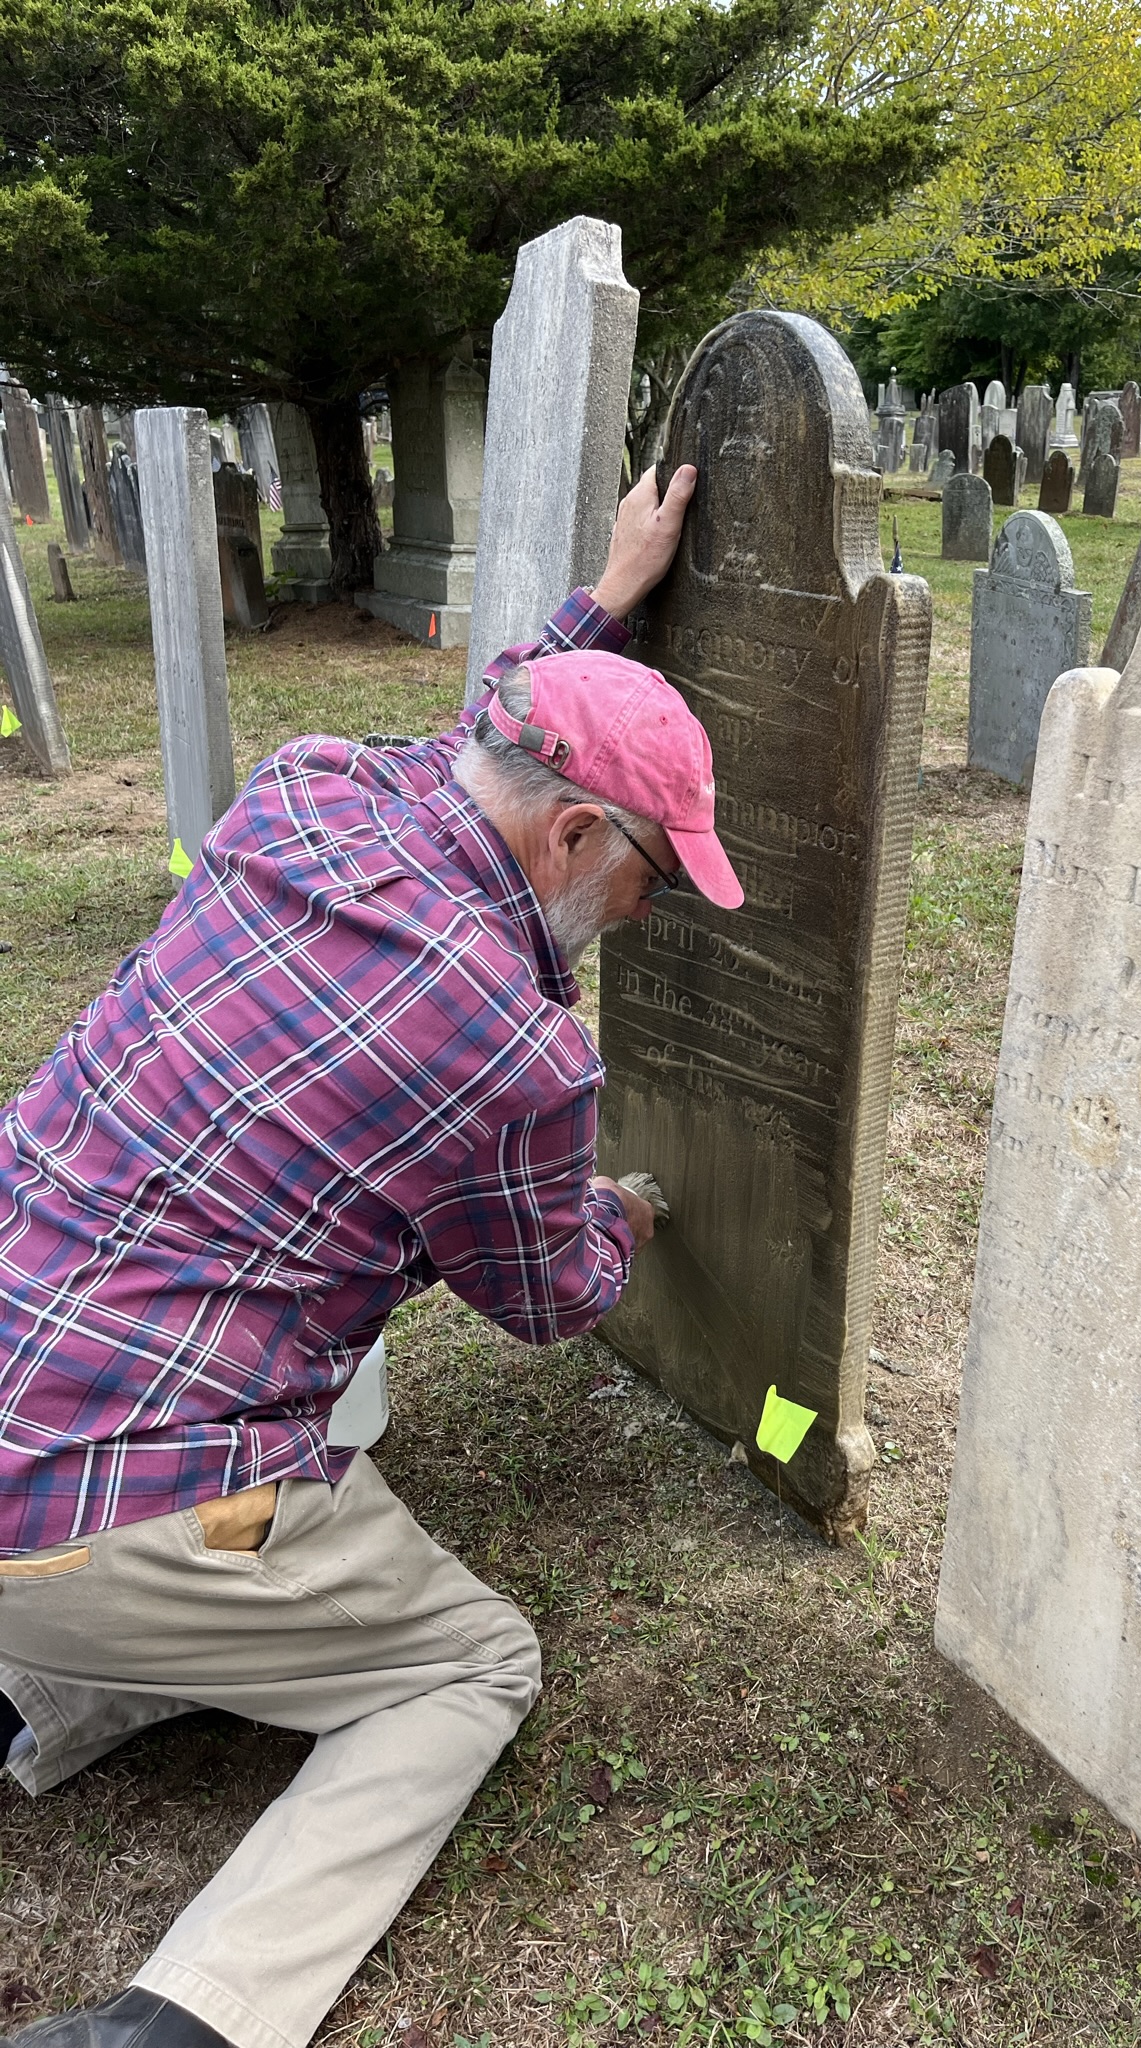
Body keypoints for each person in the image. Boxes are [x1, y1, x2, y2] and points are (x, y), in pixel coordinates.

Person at [0, 461, 739, 2048]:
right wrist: (626, 1215)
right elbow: (553, 1301)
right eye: (651, 877)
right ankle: (176, 2025)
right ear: (576, 833)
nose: (649, 912)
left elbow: (494, 716)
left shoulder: (312, 787)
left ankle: (35, 1679)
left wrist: (603, 603)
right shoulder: (515, 1050)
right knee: (470, 1668)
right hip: (110, 1500)